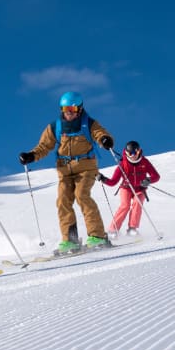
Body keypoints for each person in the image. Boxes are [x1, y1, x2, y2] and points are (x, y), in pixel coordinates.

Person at [19, 91, 114, 252]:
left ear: (79, 109)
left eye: (72, 109)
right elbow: (44, 146)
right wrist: (31, 156)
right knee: (63, 200)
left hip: (86, 167)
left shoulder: (89, 124)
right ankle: (70, 240)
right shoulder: (55, 127)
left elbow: (100, 133)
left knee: (81, 195)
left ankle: (97, 236)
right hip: (64, 171)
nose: (68, 112)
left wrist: (105, 140)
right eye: (65, 109)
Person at [97, 140, 160, 237]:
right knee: (125, 206)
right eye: (130, 153)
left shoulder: (144, 162)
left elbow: (156, 176)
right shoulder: (123, 164)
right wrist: (103, 179)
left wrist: (148, 180)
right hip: (126, 188)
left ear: (139, 151)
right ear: (126, 153)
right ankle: (113, 230)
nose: (133, 155)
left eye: (135, 153)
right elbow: (113, 182)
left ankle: (132, 229)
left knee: (138, 203)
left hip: (140, 189)